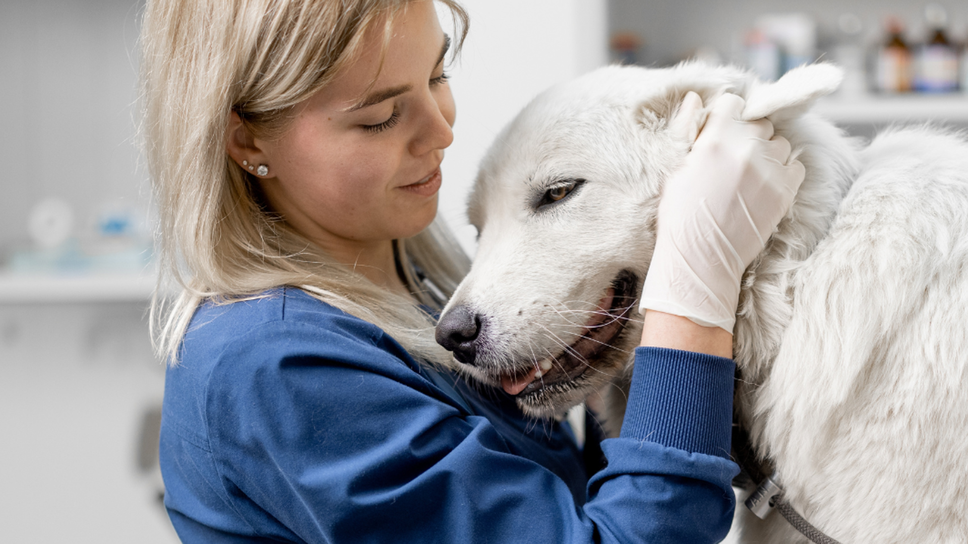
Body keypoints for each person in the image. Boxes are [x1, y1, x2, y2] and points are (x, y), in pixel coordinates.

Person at [141, 0, 805, 542]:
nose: (441, 131)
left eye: (436, 76)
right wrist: (692, 292)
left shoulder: (406, 273)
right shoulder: (276, 368)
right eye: (378, 118)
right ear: (248, 139)